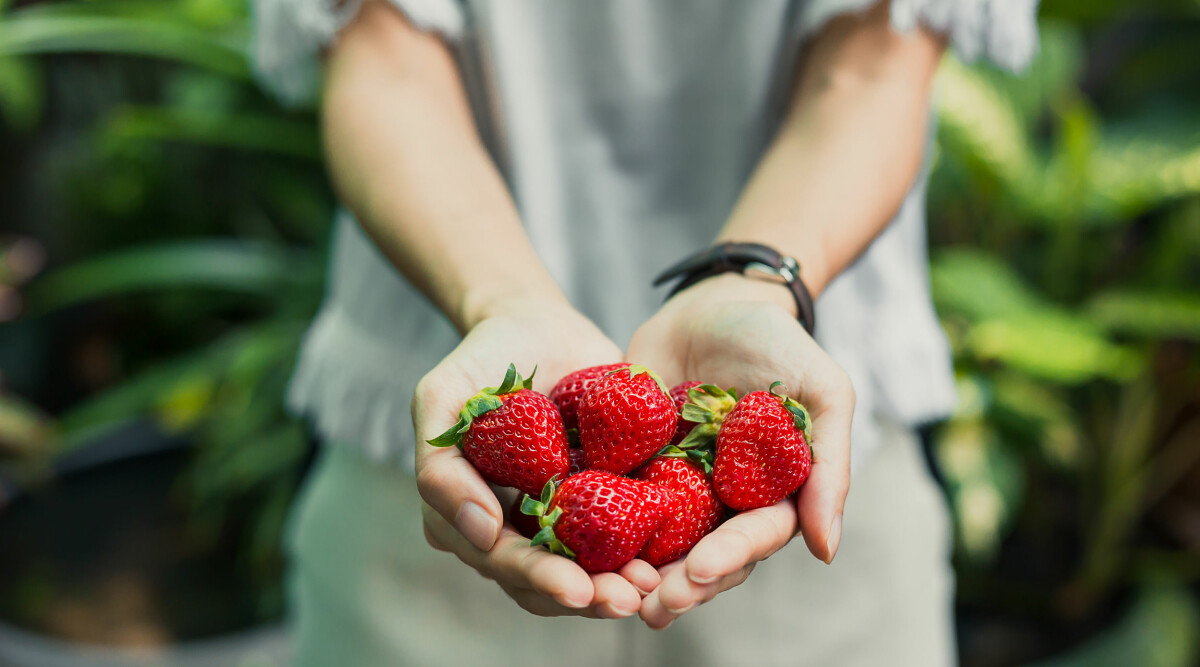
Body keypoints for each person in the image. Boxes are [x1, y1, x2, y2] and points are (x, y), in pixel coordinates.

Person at [253, 0, 1038, 664]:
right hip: (443, 468)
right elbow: (384, 63)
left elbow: (875, 61)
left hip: (818, 474)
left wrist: (756, 286)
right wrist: (501, 301)